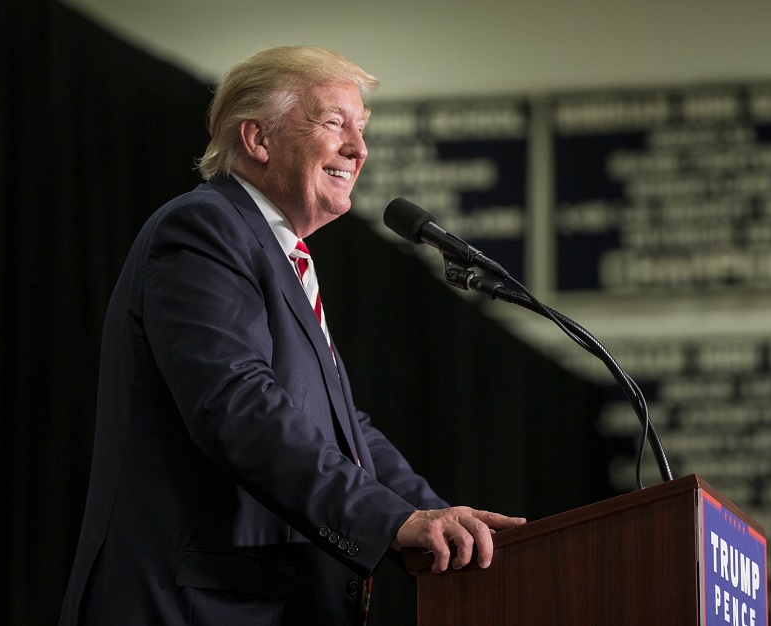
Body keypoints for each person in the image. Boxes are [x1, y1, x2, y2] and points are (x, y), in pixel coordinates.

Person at [59, 45, 525, 625]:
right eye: (334, 123)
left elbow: (345, 433)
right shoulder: (206, 229)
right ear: (258, 140)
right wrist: (387, 521)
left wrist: (438, 517)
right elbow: (238, 406)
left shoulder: (281, 254)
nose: (358, 148)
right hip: (193, 606)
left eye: (361, 127)